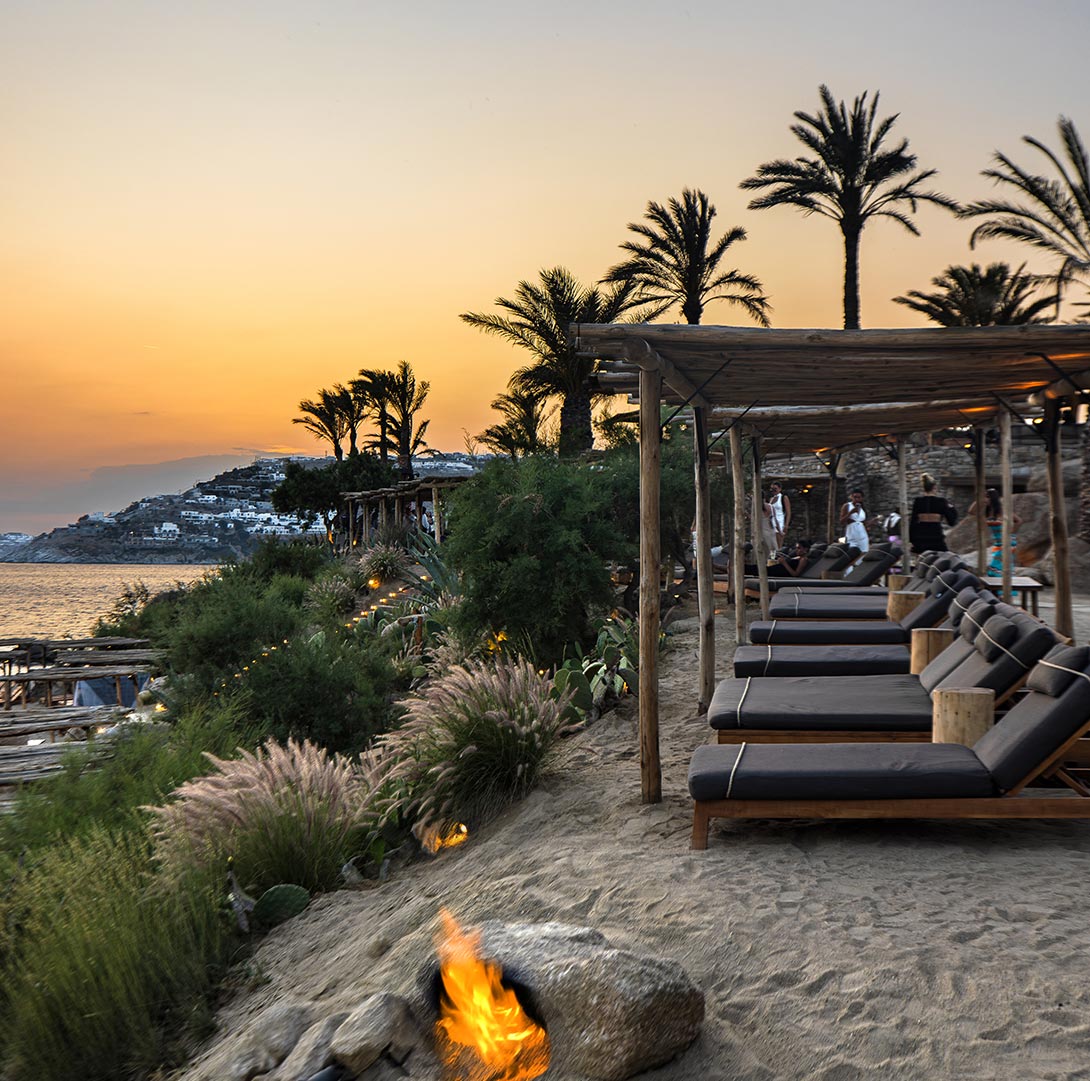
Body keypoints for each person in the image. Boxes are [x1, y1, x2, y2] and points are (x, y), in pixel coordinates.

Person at [967, 487, 1023, 576]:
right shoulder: (988, 512)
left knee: (999, 566)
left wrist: (1011, 532)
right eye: (985, 497)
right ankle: (997, 587)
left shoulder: (1002, 510)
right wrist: (979, 500)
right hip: (998, 542)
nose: (985, 499)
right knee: (997, 567)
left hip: (1007, 542)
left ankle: (1003, 587)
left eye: (987, 497)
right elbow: (971, 511)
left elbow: (1018, 521)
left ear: (993, 498)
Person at [909, 473, 958, 554]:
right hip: (936, 536)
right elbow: (951, 521)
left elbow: (913, 521)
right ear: (934, 487)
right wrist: (952, 508)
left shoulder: (918, 501)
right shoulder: (941, 501)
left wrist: (911, 539)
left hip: (920, 536)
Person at [839, 489, 870, 555]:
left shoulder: (862, 508)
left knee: (863, 554)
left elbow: (864, 524)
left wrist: (872, 522)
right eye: (855, 497)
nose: (856, 499)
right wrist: (851, 512)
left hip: (862, 536)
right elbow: (841, 521)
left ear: (862, 498)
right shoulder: (847, 506)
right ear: (851, 497)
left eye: (859, 497)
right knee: (852, 554)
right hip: (851, 535)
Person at [768, 482, 791, 548]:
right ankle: (772, 556)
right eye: (772, 489)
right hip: (772, 521)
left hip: (780, 521)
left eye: (775, 489)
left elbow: (788, 512)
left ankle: (778, 555)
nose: (773, 491)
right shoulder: (771, 499)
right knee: (772, 543)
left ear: (779, 489)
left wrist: (786, 525)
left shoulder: (783, 497)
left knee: (778, 542)